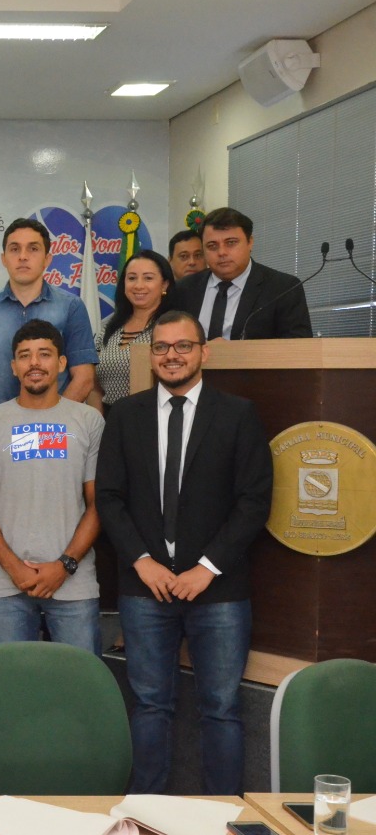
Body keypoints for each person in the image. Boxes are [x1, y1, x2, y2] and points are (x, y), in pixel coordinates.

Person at [95, 310, 272, 795]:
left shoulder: (237, 414)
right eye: (162, 347)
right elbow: (108, 497)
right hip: (143, 586)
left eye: (183, 346)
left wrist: (206, 568)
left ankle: (222, 815)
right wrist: (141, 561)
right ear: (150, 356)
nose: (171, 356)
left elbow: (254, 500)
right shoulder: (126, 415)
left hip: (218, 589)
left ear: (203, 352)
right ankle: (146, 811)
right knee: (151, 705)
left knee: (221, 706)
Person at [0, 319, 104, 654]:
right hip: (7, 582)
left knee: (80, 687)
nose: (34, 363)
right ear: (13, 367)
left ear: (61, 364)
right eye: (24, 355)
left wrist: (64, 566)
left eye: (44, 354)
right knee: (13, 692)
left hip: (74, 581)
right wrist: (14, 568)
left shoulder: (89, 420)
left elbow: (99, 503)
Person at [0, 219, 98, 404]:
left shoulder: (71, 307)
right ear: (3, 259)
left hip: (55, 429)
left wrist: (50, 424)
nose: (22, 256)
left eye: (33, 249)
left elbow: (84, 379)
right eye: (14, 249)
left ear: (47, 259)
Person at [178, 206, 313, 340]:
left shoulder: (283, 288)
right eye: (212, 246)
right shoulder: (185, 289)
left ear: (250, 243)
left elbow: (298, 346)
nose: (221, 252)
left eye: (231, 243)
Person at [89, 250, 181, 414]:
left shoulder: (174, 326)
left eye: (148, 278)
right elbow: (93, 384)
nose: (138, 285)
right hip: (109, 419)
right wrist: (98, 423)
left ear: (164, 284)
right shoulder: (108, 326)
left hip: (157, 417)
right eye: (132, 278)